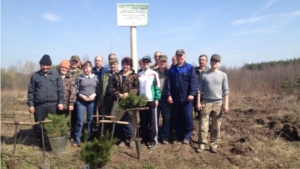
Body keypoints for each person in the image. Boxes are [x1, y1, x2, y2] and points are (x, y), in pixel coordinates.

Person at [27, 54, 64, 149]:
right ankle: (38, 142)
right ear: (40, 65)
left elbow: (60, 90)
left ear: (50, 65)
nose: (45, 67)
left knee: (52, 124)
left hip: (53, 104)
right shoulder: (35, 76)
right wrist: (31, 105)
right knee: (39, 125)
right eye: (43, 65)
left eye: (47, 65)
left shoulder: (55, 75)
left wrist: (60, 102)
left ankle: (51, 142)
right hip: (39, 105)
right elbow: (31, 91)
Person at [196, 54, 229, 153]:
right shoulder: (204, 74)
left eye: (216, 61)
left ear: (219, 63)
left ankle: (213, 145)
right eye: (212, 61)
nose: (214, 63)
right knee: (203, 125)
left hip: (218, 103)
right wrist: (198, 102)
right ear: (210, 62)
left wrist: (226, 104)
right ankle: (202, 144)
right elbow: (199, 90)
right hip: (206, 103)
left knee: (216, 126)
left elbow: (226, 91)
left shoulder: (223, 75)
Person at [167, 49, 197, 145]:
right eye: (178, 55)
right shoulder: (172, 69)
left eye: (181, 56)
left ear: (184, 57)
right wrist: (169, 95)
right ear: (176, 56)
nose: (179, 57)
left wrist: (192, 94)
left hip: (186, 98)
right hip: (175, 98)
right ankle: (178, 135)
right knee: (177, 117)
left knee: (187, 117)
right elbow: (169, 83)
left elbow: (193, 82)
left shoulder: (189, 68)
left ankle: (187, 136)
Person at [109, 57, 139, 148]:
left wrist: (128, 94)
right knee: (118, 120)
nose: (126, 66)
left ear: (130, 66)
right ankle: (122, 139)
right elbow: (111, 88)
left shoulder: (134, 76)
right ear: (122, 65)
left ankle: (131, 138)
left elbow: (137, 88)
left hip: (129, 102)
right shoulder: (116, 75)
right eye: (125, 64)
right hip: (119, 101)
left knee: (126, 120)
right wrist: (119, 94)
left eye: (128, 65)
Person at [73, 61, 99, 147]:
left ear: (91, 68)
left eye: (87, 68)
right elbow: (76, 89)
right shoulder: (79, 78)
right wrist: (81, 96)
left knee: (90, 120)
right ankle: (77, 140)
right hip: (81, 101)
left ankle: (90, 139)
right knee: (80, 120)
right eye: (84, 68)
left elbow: (98, 89)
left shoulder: (96, 77)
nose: (86, 70)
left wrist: (94, 95)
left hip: (92, 100)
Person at [139, 56, 161, 149]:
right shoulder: (139, 74)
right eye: (144, 62)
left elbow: (157, 87)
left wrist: (156, 99)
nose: (146, 63)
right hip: (142, 101)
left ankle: (153, 140)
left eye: (148, 62)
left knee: (152, 122)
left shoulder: (154, 73)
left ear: (150, 63)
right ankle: (144, 139)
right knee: (143, 121)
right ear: (142, 63)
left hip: (151, 100)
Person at [66, 55, 83, 141]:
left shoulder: (81, 72)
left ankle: (75, 134)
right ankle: (68, 134)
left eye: (76, 61)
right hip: (66, 98)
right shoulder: (65, 70)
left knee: (77, 117)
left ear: (79, 63)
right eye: (73, 61)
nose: (74, 63)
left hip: (78, 98)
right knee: (67, 117)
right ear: (70, 61)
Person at [154, 55, 170, 145]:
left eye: (164, 61)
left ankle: (164, 137)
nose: (163, 63)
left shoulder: (169, 72)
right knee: (155, 119)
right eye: (161, 61)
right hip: (156, 98)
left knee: (166, 118)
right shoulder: (154, 73)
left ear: (166, 62)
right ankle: (155, 136)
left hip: (165, 98)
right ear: (158, 62)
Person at [194, 54, 210, 119]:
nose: (201, 61)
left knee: (203, 115)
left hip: (205, 96)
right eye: (200, 60)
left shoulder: (209, 71)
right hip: (194, 95)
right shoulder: (194, 70)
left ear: (206, 61)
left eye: (203, 60)